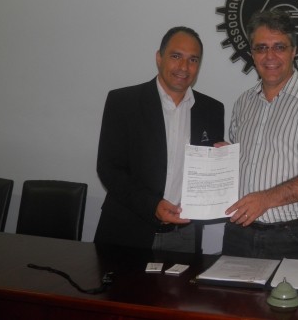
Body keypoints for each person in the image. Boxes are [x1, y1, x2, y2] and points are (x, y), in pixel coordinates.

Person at [221, 10, 298, 262]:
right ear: (252, 54)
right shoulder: (243, 103)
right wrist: (224, 160)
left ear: (293, 51)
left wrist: (266, 199)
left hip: (295, 237)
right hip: (240, 233)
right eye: (261, 48)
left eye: (279, 47)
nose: (270, 56)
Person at [94, 26, 224, 252]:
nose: (184, 67)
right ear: (159, 58)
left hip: (184, 235)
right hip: (127, 231)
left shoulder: (211, 110)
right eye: (176, 56)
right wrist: (153, 206)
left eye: (193, 60)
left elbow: (207, 175)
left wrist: (222, 163)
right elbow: (109, 169)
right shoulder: (123, 102)